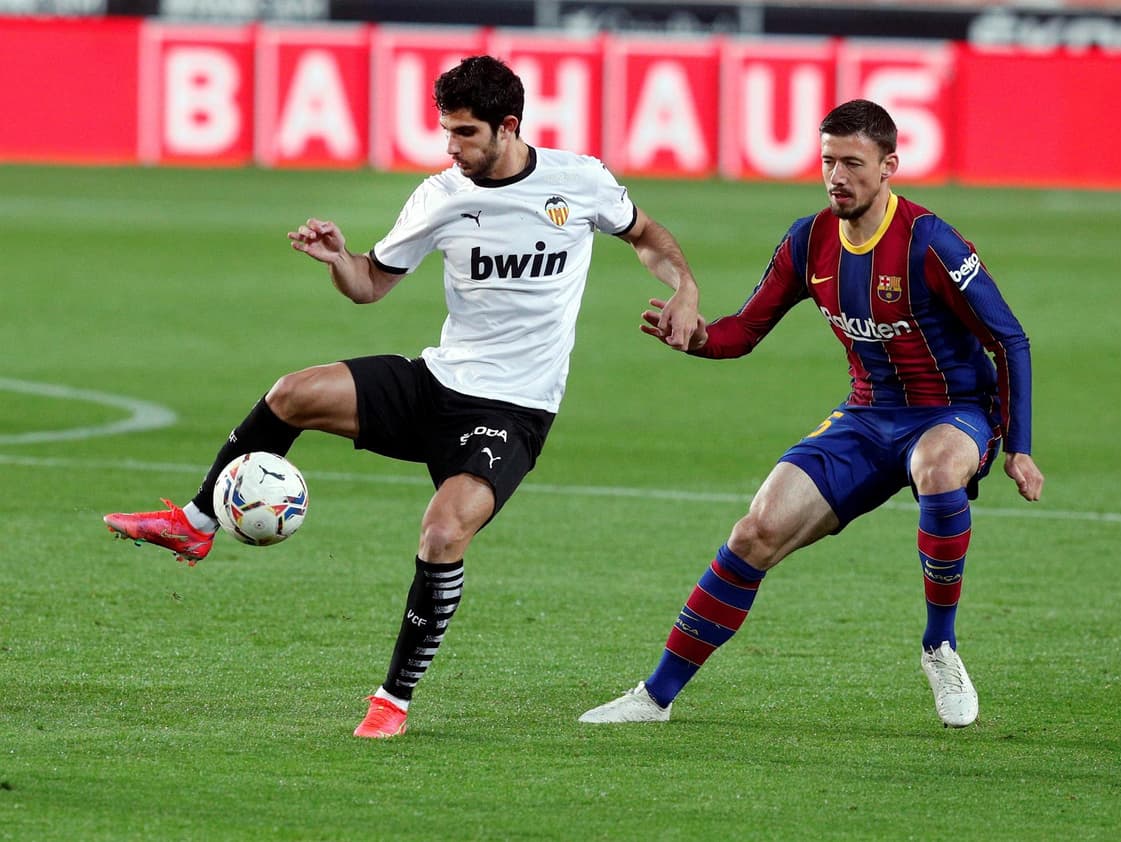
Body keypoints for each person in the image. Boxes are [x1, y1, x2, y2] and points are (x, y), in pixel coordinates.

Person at [104, 55, 700, 739]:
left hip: (513, 410)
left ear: (508, 128)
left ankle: (392, 699)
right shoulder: (442, 194)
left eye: (466, 134)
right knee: (292, 393)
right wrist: (339, 259)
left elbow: (647, 237)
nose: (451, 147)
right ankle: (198, 519)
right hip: (437, 383)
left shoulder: (580, 183)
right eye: (446, 131)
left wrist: (684, 286)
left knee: (443, 533)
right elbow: (370, 286)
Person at [579, 99, 1043, 729]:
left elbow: (1009, 339)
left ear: (889, 168)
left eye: (854, 163)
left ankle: (940, 646)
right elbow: (744, 329)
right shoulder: (809, 239)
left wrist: (1017, 446)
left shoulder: (930, 243)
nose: (837, 176)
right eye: (828, 161)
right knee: (755, 532)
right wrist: (697, 337)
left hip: (954, 413)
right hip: (866, 417)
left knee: (938, 467)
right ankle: (655, 696)